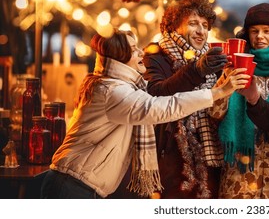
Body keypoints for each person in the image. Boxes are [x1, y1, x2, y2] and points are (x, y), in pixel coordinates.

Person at [40, 29, 248, 199]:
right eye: (133, 50)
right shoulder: (112, 91)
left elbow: (164, 91)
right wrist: (218, 93)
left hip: (79, 185)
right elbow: (159, 107)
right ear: (120, 58)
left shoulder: (126, 86)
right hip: (71, 188)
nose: (141, 53)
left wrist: (198, 69)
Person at [142, 0, 233, 198]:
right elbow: (156, 93)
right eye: (193, 23)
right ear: (174, 26)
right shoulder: (156, 55)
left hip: (210, 155)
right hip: (172, 155)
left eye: (205, 25)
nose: (201, 31)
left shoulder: (211, 59)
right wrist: (196, 70)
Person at [214, 3, 269, 199]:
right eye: (254, 31)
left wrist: (253, 97)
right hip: (240, 169)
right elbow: (215, 113)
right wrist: (227, 81)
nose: (260, 36)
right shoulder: (234, 66)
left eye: (267, 31)